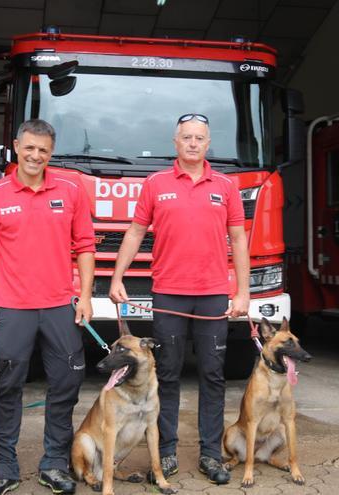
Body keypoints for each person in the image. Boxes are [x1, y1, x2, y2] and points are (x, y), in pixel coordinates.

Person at [109, 113, 250, 485]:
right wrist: (117, 276)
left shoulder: (225, 185)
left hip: (212, 296)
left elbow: (238, 239)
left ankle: (209, 454)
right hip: (168, 294)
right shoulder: (155, 184)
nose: (192, 143)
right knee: (167, 375)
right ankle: (166, 452)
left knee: (213, 375)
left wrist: (243, 291)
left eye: (199, 138)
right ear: (175, 143)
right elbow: (136, 231)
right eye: (186, 137)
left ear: (207, 143)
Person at [0, 119, 95, 495]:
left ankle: (54, 463)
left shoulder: (71, 191)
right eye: (29, 148)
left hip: (60, 307)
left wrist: (85, 296)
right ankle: (4, 465)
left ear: (50, 153)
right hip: (12, 308)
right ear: (16, 147)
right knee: (8, 387)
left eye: (43, 150)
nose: (36, 155)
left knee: (66, 385)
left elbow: (85, 246)